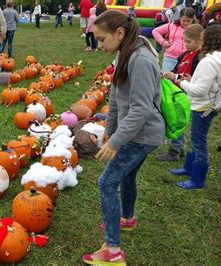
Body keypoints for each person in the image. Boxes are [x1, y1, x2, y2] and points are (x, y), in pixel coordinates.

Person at [82, 10, 165, 265]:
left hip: (143, 135)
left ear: (119, 33)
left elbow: (140, 108)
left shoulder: (140, 59)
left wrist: (117, 141)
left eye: (102, 39)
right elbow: (117, 95)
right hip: (135, 132)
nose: (100, 45)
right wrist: (110, 126)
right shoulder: (125, 53)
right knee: (127, 176)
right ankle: (127, 218)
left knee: (106, 183)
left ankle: (113, 250)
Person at [170, 24, 221, 190]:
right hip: (208, 104)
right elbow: (208, 83)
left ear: (206, 39)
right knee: (196, 139)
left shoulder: (208, 61)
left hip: (203, 107)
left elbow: (200, 90)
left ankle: (198, 179)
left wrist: (183, 82)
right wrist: (192, 79)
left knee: (198, 142)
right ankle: (189, 168)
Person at [155, 24, 203, 161]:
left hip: (188, 95)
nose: (185, 44)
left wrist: (189, 80)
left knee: (177, 120)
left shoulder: (200, 58)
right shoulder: (185, 54)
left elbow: (200, 79)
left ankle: (174, 150)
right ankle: (179, 147)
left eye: (189, 42)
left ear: (200, 40)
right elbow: (178, 70)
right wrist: (171, 74)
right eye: (184, 41)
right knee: (175, 118)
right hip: (178, 92)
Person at [153, 7, 196, 73]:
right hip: (170, 57)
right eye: (183, 20)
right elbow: (155, 31)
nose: (185, 23)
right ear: (180, 18)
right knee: (166, 79)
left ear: (193, 19)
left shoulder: (196, 29)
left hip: (186, 59)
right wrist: (163, 42)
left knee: (180, 81)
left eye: (188, 21)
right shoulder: (172, 25)